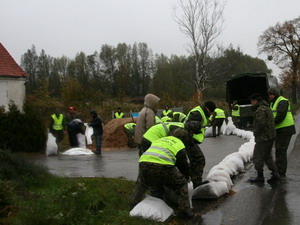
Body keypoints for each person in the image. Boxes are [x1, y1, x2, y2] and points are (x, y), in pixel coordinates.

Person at [130, 128, 194, 219]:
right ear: (184, 138)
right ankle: (184, 211)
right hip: (163, 166)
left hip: (144, 162)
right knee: (182, 184)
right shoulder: (179, 144)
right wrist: (186, 177)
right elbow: (183, 165)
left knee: (143, 183)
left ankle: (133, 203)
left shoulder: (160, 139)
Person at [248, 93, 280, 183]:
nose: (251, 103)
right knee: (267, 156)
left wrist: (256, 133)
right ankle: (275, 174)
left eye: (252, 101)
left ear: (255, 101)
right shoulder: (267, 107)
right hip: (270, 136)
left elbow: (260, 124)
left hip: (263, 138)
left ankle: (260, 176)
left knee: (257, 157)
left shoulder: (260, 110)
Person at [184, 101, 216, 188]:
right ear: (208, 109)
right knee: (199, 159)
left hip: (190, 139)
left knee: (195, 161)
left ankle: (189, 180)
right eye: (211, 112)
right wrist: (197, 127)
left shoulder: (202, 113)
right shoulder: (197, 113)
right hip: (188, 139)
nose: (211, 114)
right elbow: (188, 125)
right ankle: (196, 182)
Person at [268, 88, 296, 176]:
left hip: (286, 129)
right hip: (280, 129)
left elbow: (281, 116)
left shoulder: (282, 101)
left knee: (281, 150)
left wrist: (271, 124)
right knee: (279, 149)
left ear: (275, 94)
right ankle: (278, 170)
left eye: (271, 94)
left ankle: (281, 171)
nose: (270, 96)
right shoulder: (273, 102)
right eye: (269, 95)